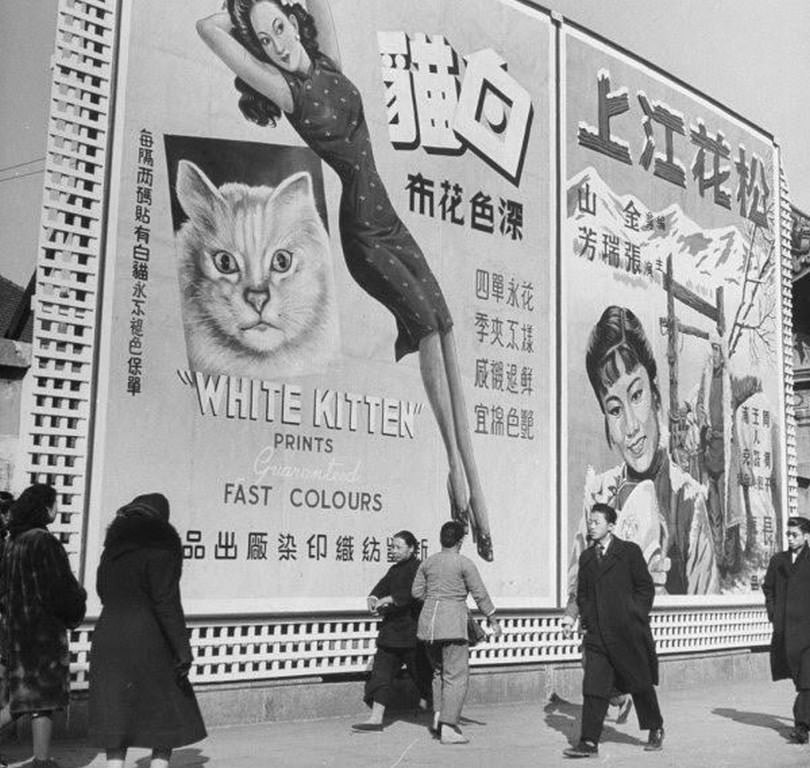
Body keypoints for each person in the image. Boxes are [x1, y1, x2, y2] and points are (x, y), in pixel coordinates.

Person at [195, 0, 494, 561]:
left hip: (391, 218)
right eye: (264, 40)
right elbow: (204, 28)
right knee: (428, 328)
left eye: (280, 26)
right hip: (363, 231)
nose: (278, 43)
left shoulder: (328, 59)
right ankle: (456, 473)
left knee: (447, 327)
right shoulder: (287, 92)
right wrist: (242, 16)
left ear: (293, 17)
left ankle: (478, 489)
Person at [568, 305, 719, 596]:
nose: (631, 426)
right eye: (614, 409)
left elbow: (707, 612)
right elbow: (574, 594)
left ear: (655, 393)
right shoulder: (598, 494)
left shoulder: (689, 500)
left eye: (636, 395)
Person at [88, 493, 206, 767]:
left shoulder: (112, 551)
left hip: (109, 635)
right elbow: (166, 603)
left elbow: (102, 591)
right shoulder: (163, 550)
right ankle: (159, 764)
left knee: (115, 709)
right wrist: (182, 650)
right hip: (151, 638)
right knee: (166, 705)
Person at [564, 503, 664, 758]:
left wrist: (634, 615)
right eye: (590, 522)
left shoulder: (628, 552)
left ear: (610, 526)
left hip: (627, 632)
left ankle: (655, 727)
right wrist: (578, 617)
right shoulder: (587, 557)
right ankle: (588, 742)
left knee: (639, 683)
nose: (591, 526)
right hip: (597, 633)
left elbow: (645, 588)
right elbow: (581, 593)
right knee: (593, 687)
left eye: (597, 522)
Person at [0, 483, 87, 768]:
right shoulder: (43, 542)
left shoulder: (14, 542)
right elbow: (59, 590)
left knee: (28, 698)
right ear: (44, 508)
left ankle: (42, 758)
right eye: (54, 504)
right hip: (42, 633)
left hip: (17, 631)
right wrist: (78, 603)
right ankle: (42, 760)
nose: (56, 509)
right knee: (39, 699)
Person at [411, 521, 502, 744]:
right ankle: (449, 727)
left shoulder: (428, 563)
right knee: (456, 676)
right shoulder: (464, 563)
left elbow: (416, 593)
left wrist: (434, 601)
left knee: (438, 674)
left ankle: (438, 718)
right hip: (453, 625)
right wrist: (492, 619)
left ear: (442, 539)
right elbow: (479, 594)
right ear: (460, 541)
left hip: (428, 627)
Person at [352, 530, 432, 732]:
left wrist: (389, 600)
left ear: (412, 548)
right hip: (391, 633)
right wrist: (372, 599)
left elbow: (414, 594)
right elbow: (380, 589)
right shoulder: (394, 570)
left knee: (422, 674)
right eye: (392, 547)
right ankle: (376, 718)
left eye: (398, 547)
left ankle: (436, 713)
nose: (394, 551)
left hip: (413, 633)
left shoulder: (420, 569)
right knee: (381, 674)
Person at [762, 516, 810, 745]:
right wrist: (773, 612)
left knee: (807, 679)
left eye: (795, 534)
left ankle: (801, 727)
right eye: (788, 534)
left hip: (808, 631)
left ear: (806, 536)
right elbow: (768, 588)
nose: (790, 538)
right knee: (799, 677)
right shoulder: (778, 560)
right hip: (786, 630)